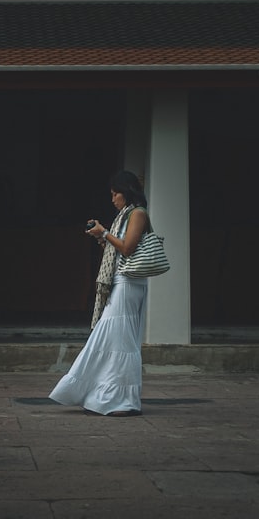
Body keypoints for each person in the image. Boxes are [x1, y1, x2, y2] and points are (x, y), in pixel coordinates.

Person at [49, 170, 151, 417]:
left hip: (129, 282)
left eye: (115, 193)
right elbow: (118, 248)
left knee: (120, 339)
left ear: (126, 192)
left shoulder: (137, 213)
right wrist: (103, 238)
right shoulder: (124, 216)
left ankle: (123, 399)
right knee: (114, 337)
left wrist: (105, 232)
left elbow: (127, 248)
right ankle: (107, 394)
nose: (113, 198)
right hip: (120, 280)